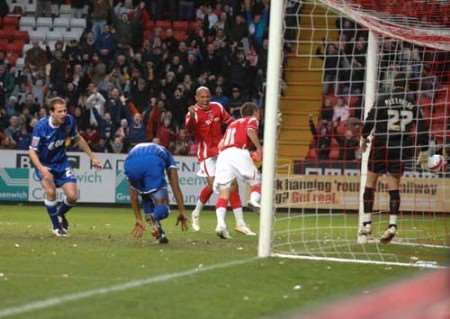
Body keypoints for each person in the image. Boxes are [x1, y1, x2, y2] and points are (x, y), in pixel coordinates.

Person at [360, 76, 429, 244]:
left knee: (370, 183)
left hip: (381, 144)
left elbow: (371, 117)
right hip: (400, 147)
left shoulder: (383, 97)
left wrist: (364, 135)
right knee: (394, 187)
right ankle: (392, 226)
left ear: (393, 84)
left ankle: (367, 223)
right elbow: (421, 125)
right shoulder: (412, 102)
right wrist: (424, 148)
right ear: (405, 86)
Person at [185, 86, 255, 236]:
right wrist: (191, 117)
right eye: (202, 97)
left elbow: (230, 122)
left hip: (222, 151)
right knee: (213, 186)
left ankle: (240, 223)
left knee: (232, 185)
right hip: (206, 154)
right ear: (196, 98)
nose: (205, 100)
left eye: (207, 96)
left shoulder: (217, 107)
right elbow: (189, 130)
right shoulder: (193, 113)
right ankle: (196, 213)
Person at [28, 97, 102, 237]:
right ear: (52, 112)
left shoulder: (69, 120)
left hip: (61, 163)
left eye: (65, 110)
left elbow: (78, 138)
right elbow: (31, 151)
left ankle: (60, 214)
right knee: (51, 192)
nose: (63, 114)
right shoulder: (41, 127)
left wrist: (92, 157)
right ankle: (56, 227)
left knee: (73, 196)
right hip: (45, 165)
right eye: (60, 111)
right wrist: (42, 169)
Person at [213, 102, 263, 239]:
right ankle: (253, 201)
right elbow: (250, 131)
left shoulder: (232, 124)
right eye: (259, 113)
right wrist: (259, 148)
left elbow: (221, 144)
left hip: (223, 155)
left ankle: (221, 225)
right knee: (256, 180)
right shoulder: (252, 120)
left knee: (225, 191)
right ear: (255, 112)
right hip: (238, 152)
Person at [124, 142, 188, 244]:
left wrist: (138, 218)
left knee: (145, 194)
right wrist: (182, 211)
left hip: (130, 162)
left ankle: (160, 234)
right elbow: (175, 186)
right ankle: (154, 217)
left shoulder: (140, 149)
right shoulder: (168, 156)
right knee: (163, 207)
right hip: (151, 162)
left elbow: (133, 195)